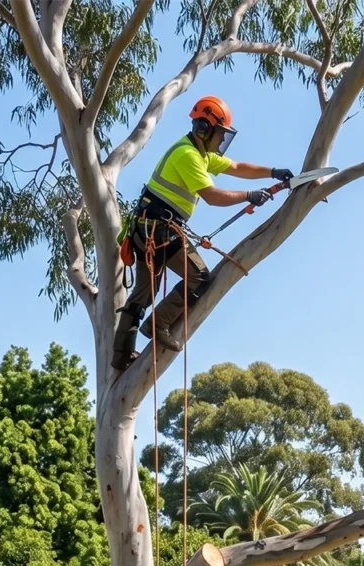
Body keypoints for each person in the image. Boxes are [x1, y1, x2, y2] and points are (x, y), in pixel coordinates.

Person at [112, 96, 293, 370]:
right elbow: (211, 195)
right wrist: (248, 195)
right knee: (199, 278)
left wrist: (273, 172)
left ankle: (120, 356)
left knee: (143, 295)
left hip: (148, 227)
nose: (221, 142)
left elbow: (235, 167)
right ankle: (157, 324)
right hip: (159, 229)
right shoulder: (188, 155)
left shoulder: (202, 155)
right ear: (203, 129)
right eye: (220, 134)